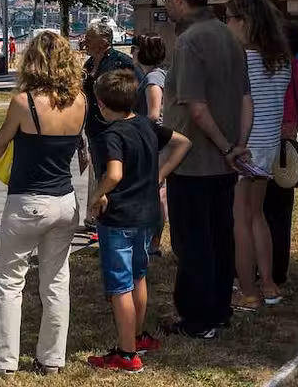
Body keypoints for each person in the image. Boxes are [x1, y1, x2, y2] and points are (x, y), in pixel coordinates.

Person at [0, 31, 87, 378]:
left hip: (28, 200)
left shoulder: (24, 103)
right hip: (65, 201)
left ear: (32, 61)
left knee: (11, 282)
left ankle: (3, 362)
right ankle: (52, 359)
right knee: (56, 281)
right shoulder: (80, 101)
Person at [162, 0, 252, 338]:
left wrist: (227, 146)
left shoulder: (189, 41)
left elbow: (196, 108)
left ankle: (197, 320)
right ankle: (218, 311)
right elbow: (247, 99)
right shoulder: (230, 37)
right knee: (220, 237)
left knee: (193, 242)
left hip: (194, 161)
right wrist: (237, 146)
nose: (165, 4)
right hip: (224, 160)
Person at [87, 70, 191, 373]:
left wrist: (98, 194)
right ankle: (139, 335)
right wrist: (161, 174)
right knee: (138, 276)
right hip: (147, 216)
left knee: (119, 286)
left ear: (102, 105)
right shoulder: (147, 125)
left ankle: (127, 353)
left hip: (119, 218)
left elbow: (115, 174)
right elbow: (183, 143)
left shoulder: (112, 135)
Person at [226, 0, 292, 311]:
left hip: (245, 145)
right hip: (267, 146)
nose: (227, 25)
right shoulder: (281, 59)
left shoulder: (241, 59)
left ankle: (248, 291)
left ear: (245, 21)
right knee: (258, 217)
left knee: (240, 220)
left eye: (229, 18)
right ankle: (269, 284)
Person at [263, 22, 298, 287]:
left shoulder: (274, 71)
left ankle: (263, 267)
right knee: (281, 214)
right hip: (287, 152)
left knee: (262, 212)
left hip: (269, 146)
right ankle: (279, 270)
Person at [82, 21, 141, 228]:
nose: (85, 40)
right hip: (95, 128)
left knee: (115, 174)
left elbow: (136, 91)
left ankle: (115, 218)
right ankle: (100, 219)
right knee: (100, 173)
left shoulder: (120, 62)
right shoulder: (89, 64)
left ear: (105, 40)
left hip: (116, 129)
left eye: (90, 37)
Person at [132, 33, 168, 255]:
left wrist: (135, 129)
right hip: (155, 141)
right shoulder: (156, 75)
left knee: (157, 193)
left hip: (153, 142)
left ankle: (153, 242)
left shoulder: (153, 79)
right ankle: (151, 240)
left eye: (135, 48)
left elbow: (154, 115)